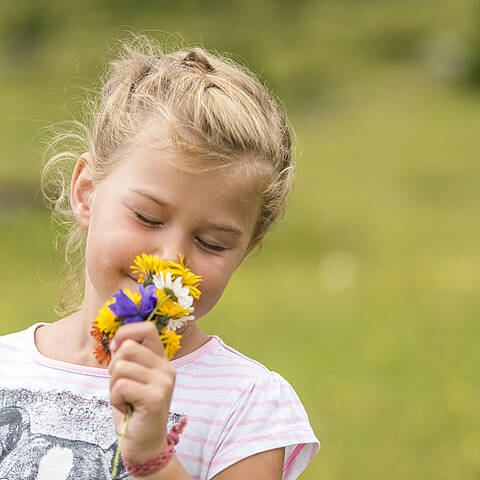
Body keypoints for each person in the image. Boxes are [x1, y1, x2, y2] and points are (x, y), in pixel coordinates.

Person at [0, 35, 319, 479]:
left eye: (211, 243)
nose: (171, 260)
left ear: (246, 249)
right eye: (148, 217)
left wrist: (151, 455)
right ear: (86, 191)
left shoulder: (249, 406)